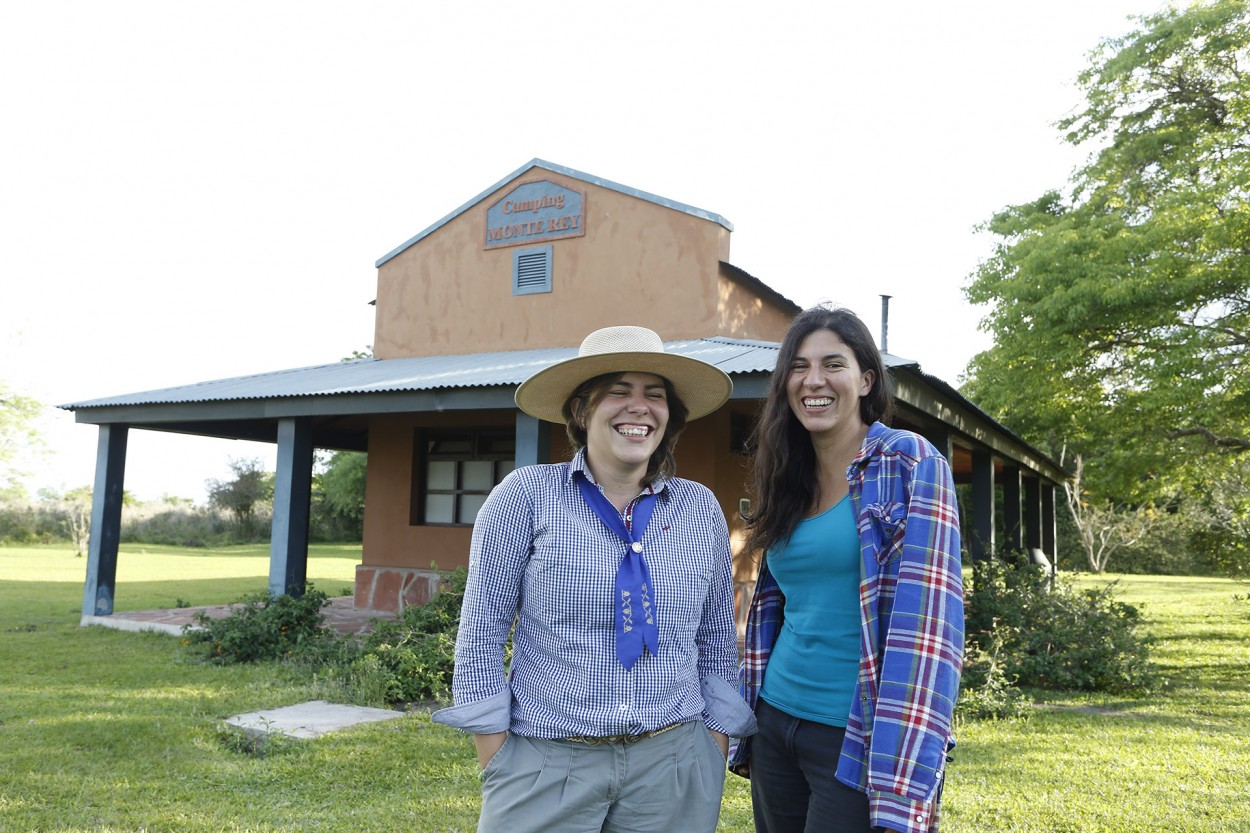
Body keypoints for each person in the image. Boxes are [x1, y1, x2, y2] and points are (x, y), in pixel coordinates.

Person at [433, 325, 757, 833]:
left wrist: (713, 745)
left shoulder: (699, 510)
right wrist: (495, 756)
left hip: (672, 765)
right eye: (619, 392)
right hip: (547, 763)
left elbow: (715, 640)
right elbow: (481, 634)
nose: (639, 407)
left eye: (655, 395)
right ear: (582, 411)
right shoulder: (525, 497)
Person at [728, 305, 964, 833]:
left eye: (833, 364)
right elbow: (781, 606)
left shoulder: (909, 463)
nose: (814, 380)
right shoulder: (787, 473)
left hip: (858, 731)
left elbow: (930, 622)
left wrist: (906, 757)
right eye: (799, 366)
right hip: (775, 719)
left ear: (865, 379)